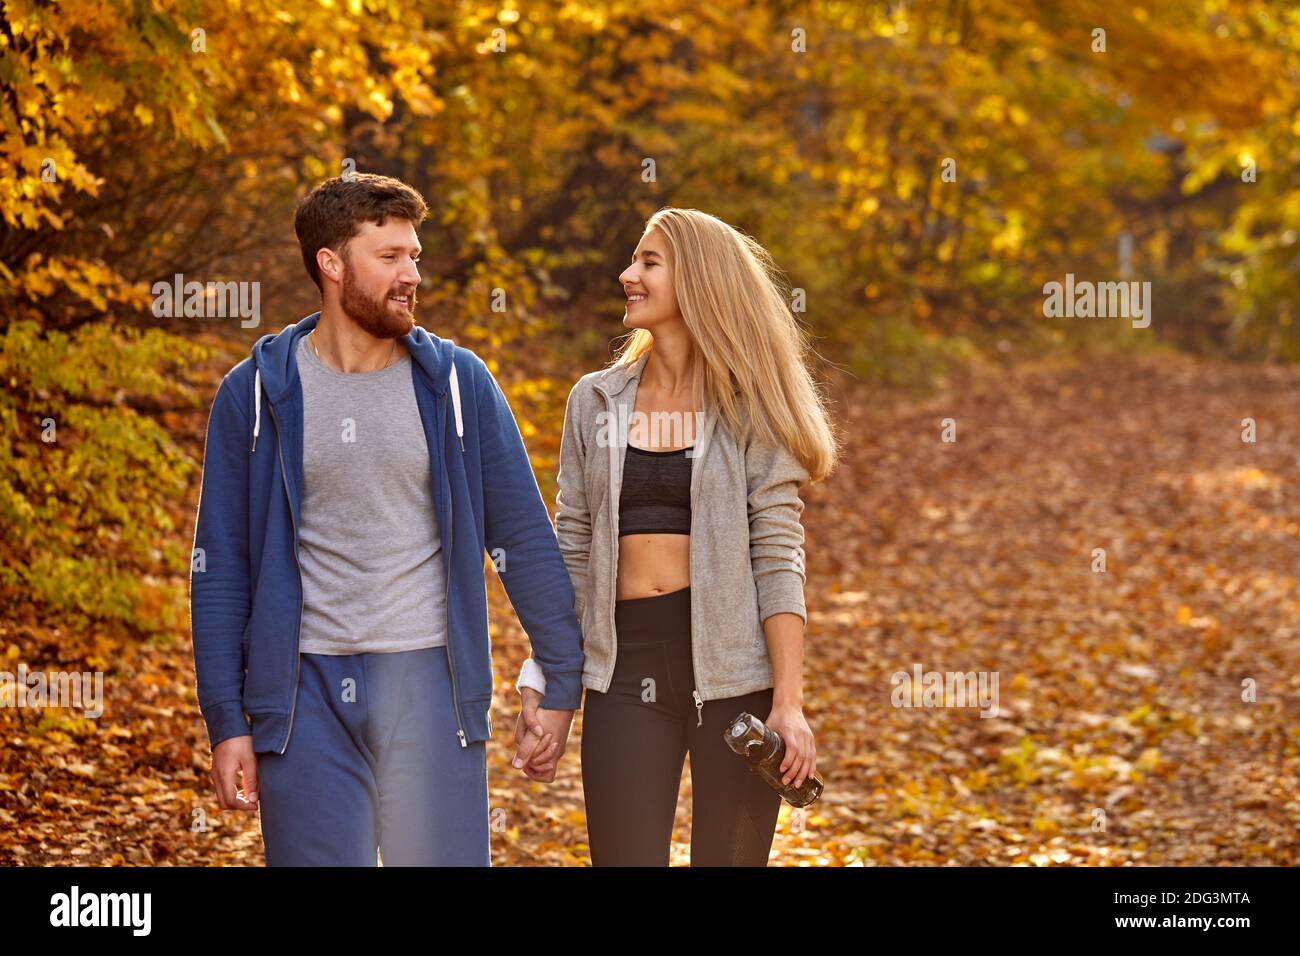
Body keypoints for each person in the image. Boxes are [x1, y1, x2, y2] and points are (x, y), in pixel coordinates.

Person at [188, 172, 583, 865]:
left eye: (415, 256)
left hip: (431, 687)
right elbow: (220, 571)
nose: (410, 275)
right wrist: (227, 722)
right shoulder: (254, 394)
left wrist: (560, 677)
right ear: (331, 265)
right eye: (390, 257)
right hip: (301, 697)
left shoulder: (458, 386)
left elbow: (520, 538)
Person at [518, 207, 838, 865]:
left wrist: (789, 702)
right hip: (623, 667)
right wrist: (547, 677)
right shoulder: (595, 400)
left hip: (733, 676)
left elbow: (777, 551)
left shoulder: (750, 406)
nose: (626, 274)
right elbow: (571, 544)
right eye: (634, 260)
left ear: (695, 280)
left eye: (648, 263)